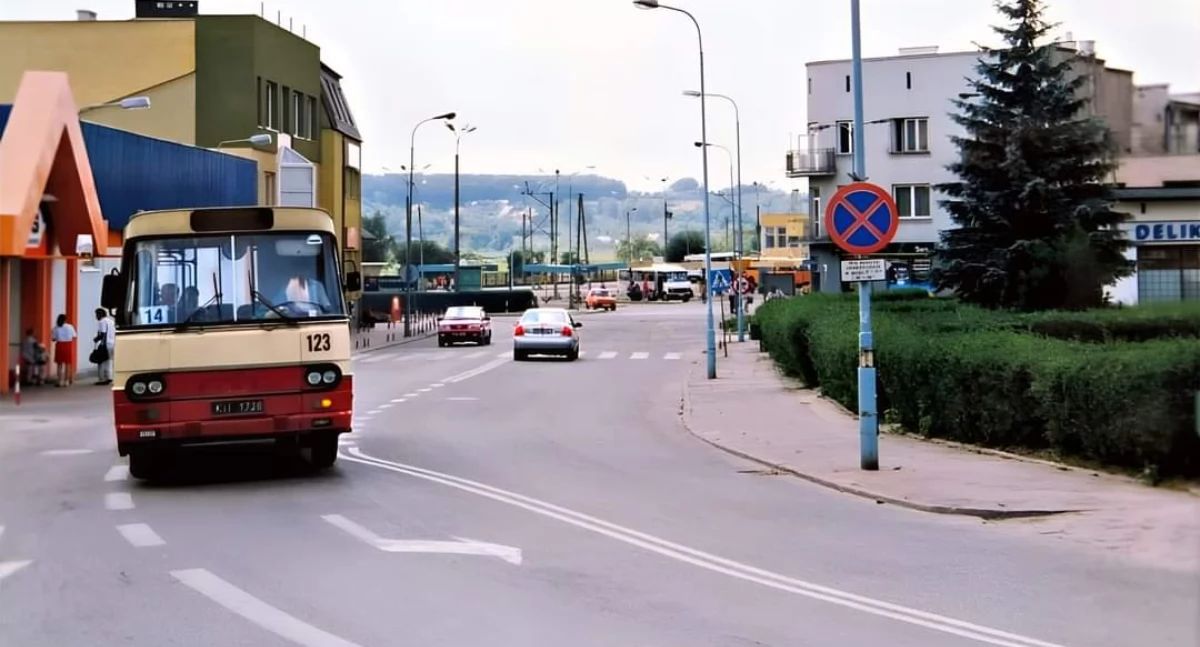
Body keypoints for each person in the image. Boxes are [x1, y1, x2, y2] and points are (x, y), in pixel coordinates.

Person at [51, 314, 76, 387]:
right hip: (68, 345)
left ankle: (59, 381)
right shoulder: (70, 326)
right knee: (67, 364)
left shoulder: (55, 328)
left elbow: (53, 339)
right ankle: (67, 381)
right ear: (65, 319)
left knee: (59, 364)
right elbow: (74, 336)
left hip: (59, 345)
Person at [93, 308, 116, 385]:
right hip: (113, 343)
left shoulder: (102, 321)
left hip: (106, 344)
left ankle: (103, 379)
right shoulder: (111, 321)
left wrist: (96, 339)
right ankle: (110, 377)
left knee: (102, 361)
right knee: (110, 361)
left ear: (100, 314)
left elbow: (103, 333)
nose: (96, 317)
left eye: (96, 315)